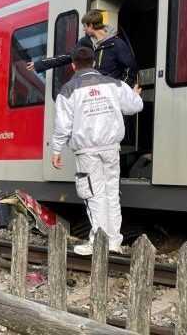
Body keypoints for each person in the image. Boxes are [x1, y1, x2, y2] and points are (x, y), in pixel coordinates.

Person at [51, 46, 143, 256]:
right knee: (111, 193)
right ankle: (113, 242)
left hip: (87, 151)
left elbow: (62, 126)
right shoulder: (113, 83)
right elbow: (134, 107)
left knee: (94, 195)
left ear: (73, 65)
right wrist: (135, 95)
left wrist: (56, 150)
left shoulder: (68, 90)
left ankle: (98, 242)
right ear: (94, 62)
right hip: (112, 148)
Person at [27, 9, 138, 85]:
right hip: (94, 96)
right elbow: (67, 57)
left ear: (91, 25)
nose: (83, 29)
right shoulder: (85, 43)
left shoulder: (117, 44)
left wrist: (122, 89)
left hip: (111, 97)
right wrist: (39, 64)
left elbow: (131, 67)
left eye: (84, 26)